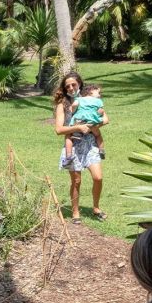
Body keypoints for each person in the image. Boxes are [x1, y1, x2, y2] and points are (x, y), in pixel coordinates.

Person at [54, 72, 107, 224]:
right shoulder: (62, 105)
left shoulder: (89, 99)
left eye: (74, 85)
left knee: (98, 177)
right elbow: (58, 130)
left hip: (90, 143)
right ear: (64, 89)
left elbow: (105, 118)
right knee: (76, 181)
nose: (71, 88)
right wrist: (78, 126)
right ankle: (75, 212)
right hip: (73, 143)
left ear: (79, 84)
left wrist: (91, 126)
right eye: (67, 86)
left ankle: (96, 207)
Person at [64, 84, 106, 166]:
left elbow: (74, 105)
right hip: (91, 122)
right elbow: (101, 111)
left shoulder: (79, 99)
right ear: (90, 92)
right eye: (98, 93)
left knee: (69, 136)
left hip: (78, 121)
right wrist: (96, 115)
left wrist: (73, 111)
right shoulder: (98, 101)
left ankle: (68, 156)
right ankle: (101, 150)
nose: (100, 95)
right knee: (98, 135)